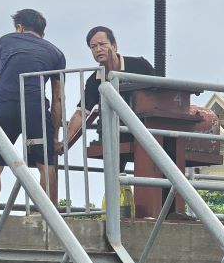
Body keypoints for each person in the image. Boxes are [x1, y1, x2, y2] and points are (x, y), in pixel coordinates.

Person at [0, 9, 66, 214]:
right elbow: (58, 98)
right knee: (46, 162)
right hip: (35, 104)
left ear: (20, 28)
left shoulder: (5, 41)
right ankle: (46, 216)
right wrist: (55, 136)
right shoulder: (56, 53)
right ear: (42, 32)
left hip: (5, 101)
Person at [61, 26, 155, 169]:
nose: (98, 49)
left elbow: (163, 92)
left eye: (102, 44)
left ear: (114, 46)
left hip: (148, 129)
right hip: (115, 133)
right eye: (93, 47)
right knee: (116, 174)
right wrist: (65, 142)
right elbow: (81, 113)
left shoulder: (140, 66)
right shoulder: (94, 80)